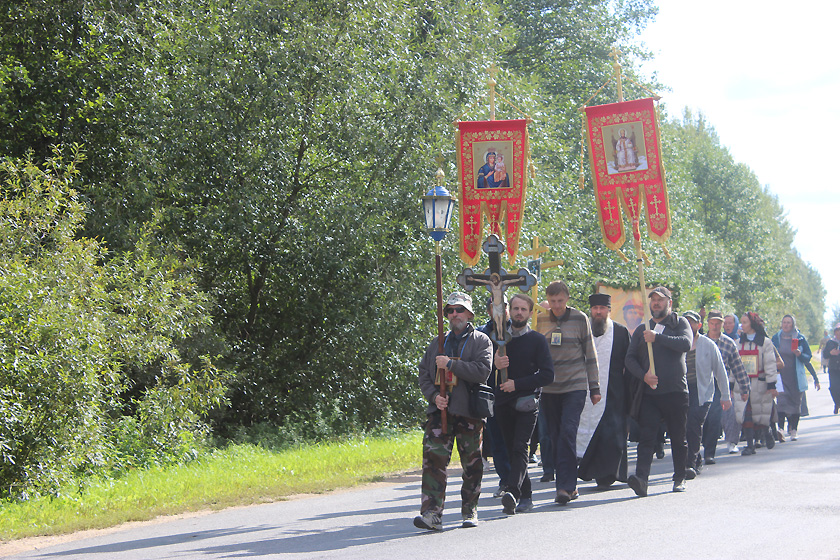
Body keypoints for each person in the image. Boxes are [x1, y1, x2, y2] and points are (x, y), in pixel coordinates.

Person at [414, 292, 493, 531]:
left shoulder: (481, 341)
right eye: (450, 310)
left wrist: (450, 364)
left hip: (469, 411)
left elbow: (482, 371)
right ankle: (432, 514)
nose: (454, 314)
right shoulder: (438, 342)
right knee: (433, 461)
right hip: (440, 413)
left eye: (459, 310)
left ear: (469, 313)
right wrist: (434, 397)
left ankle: (470, 510)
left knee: (472, 465)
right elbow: (424, 375)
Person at [536, 280, 600, 505]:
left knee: (567, 432)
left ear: (567, 298)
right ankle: (567, 487)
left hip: (575, 386)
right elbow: (535, 350)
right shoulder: (541, 318)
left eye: (560, 301)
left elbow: (590, 354)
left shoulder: (580, 319)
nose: (556, 306)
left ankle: (565, 487)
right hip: (550, 387)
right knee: (554, 437)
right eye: (552, 301)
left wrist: (595, 387)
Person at [625, 286, 693, 496]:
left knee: (677, 437)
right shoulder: (642, 329)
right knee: (647, 437)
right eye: (653, 300)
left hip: (675, 391)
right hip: (650, 393)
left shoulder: (679, 323)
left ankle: (679, 476)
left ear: (669, 303)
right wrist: (644, 375)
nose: (656, 303)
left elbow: (686, 344)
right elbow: (630, 359)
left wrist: (658, 338)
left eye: (661, 300)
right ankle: (641, 479)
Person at [492, 294, 554, 515]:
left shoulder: (537, 340)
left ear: (530, 313)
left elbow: (547, 375)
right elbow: (483, 370)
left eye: (523, 309)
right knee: (511, 450)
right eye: (515, 308)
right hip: (502, 402)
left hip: (526, 402)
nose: (519, 312)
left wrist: (517, 384)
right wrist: (495, 363)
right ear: (509, 311)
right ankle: (525, 495)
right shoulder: (498, 339)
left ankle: (512, 491)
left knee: (520, 447)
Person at [577, 293, 631, 488]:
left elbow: (629, 364)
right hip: (584, 392)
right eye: (595, 309)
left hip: (614, 393)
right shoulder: (582, 330)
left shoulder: (621, 332)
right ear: (591, 311)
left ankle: (607, 475)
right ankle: (587, 469)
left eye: (602, 308)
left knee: (611, 435)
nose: (598, 312)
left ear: (609, 310)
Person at [681, 311, 731, 479]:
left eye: (692, 322)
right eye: (685, 321)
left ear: (699, 326)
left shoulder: (708, 344)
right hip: (682, 391)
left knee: (693, 424)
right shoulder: (678, 343)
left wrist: (725, 395)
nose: (689, 325)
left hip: (702, 392)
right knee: (684, 427)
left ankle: (690, 463)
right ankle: (697, 458)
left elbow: (720, 371)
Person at [704, 311, 750, 464]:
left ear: (722, 324)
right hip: (700, 386)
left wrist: (744, 388)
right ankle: (697, 451)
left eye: (718, 323)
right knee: (700, 419)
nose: (715, 326)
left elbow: (738, 367)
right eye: (712, 323)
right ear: (708, 324)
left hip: (720, 387)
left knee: (715, 418)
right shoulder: (700, 341)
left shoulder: (728, 343)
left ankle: (709, 453)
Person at [477, 297, 511, 498]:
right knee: (497, 439)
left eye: (503, 306)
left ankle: (517, 481)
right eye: (494, 307)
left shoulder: (517, 330)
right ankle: (505, 480)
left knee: (515, 440)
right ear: (489, 310)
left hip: (513, 390)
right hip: (491, 393)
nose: (499, 310)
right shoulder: (481, 333)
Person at [735, 312, 778, 456]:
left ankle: (767, 431)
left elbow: (770, 364)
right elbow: (733, 365)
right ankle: (750, 445)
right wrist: (730, 384)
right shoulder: (738, 343)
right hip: (743, 384)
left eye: (745, 322)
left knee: (761, 413)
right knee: (746, 414)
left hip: (760, 382)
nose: (742, 325)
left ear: (752, 324)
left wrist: (771, 385)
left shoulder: (765, 342)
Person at [771, 315, 813, 441]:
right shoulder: (776, 338)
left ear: (793, 324)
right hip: (781, 376)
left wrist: (800, 354)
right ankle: (781, 430)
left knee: (796, 403)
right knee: (781, 402)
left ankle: (793, 430)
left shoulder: (800, 338)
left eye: (789, 323)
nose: (786, 325)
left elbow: (808, 356)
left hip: (795, 376)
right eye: (784, 322)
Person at [721, 313, 743, 453]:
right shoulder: (719, 340)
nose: (728, 326)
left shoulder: (740, 341)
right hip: (720, 381)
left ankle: (732, 441)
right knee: (722, 415)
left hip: (736, 381)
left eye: (731, 323)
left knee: (733, 412)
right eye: (726, 323)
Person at [822, 324, 840, 415]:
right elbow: (825, 354)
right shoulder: (831, 342)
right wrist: (830, 353)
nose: (839, 333)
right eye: (837, 331)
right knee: (834, 388)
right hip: (834, 368)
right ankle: (837, 403)